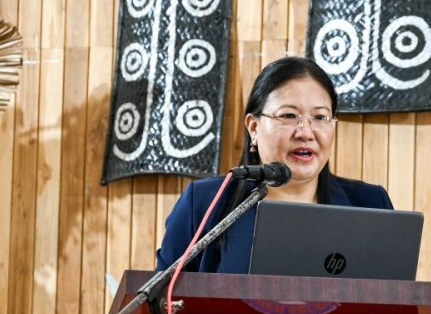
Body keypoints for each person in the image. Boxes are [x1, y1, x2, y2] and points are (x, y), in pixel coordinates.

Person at [155, 56, 393, 274]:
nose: (305, 132)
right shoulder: (206, 202)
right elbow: (164, 298)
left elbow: (396, 301)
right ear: (254, 128)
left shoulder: (370, 204)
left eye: (320, 117)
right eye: (288, 116)